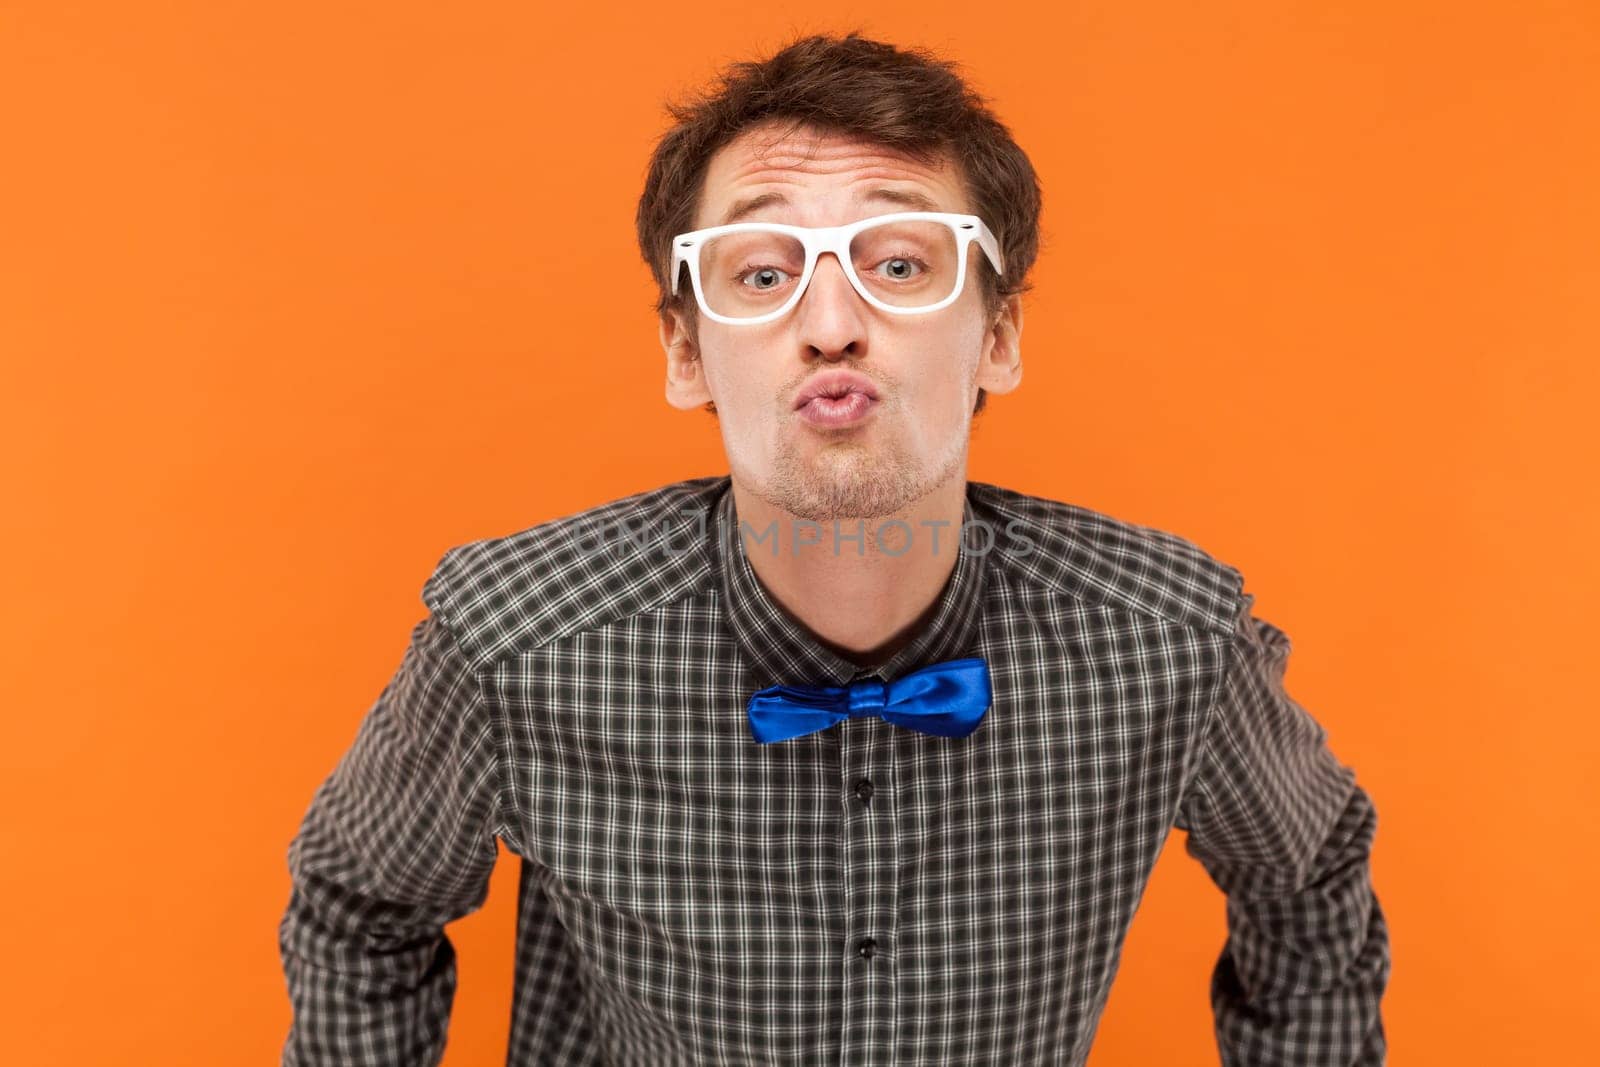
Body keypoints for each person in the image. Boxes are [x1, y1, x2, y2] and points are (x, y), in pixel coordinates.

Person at [278, 31, 1390, 1066]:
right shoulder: (513, 643)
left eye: (899, 263)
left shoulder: (1170, 639)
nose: (829, 321)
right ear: (686, 353)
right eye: (762, 273)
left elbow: (1309, 872)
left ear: (997, 336)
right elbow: (359, 907)